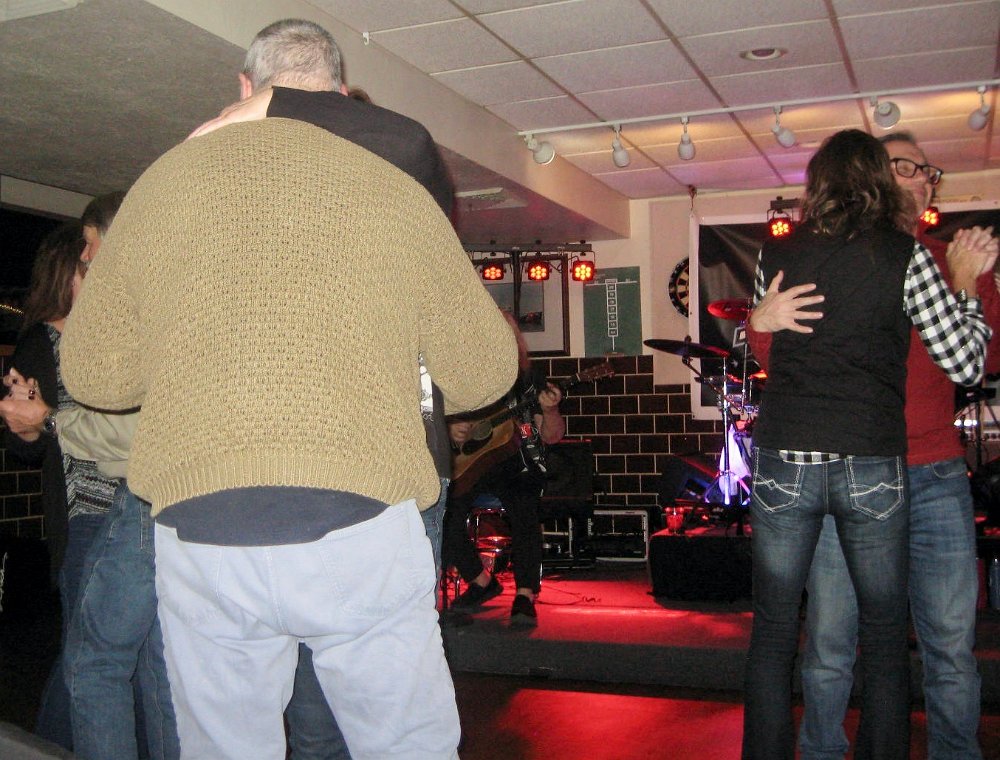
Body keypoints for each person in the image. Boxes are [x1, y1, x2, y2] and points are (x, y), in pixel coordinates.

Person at [58, 19, 518, 760]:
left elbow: (94, 375)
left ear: (245, 87)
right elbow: (485, 372)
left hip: (201, 526)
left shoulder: (159, 186)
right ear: (339, 92)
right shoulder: (392, 189)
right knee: (407, 748)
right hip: (358, 519)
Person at [189, 24, 458, 758]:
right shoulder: (258, 217)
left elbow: (406, 141)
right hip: (335, 478)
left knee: (361, 707)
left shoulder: (390, 196)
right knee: (341, 710)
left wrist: (267, 105)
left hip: (394, 468)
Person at [742, 129, 995, 760]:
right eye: (903, 170)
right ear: (879, 179)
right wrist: (967, 291)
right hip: (870, 458)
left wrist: (754, 323)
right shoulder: (904, 255)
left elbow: (776, 352)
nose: (920, 181)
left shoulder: (778, 251)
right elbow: (966, 362)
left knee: (775, 633)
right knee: (882, 637)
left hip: (792, 457)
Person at [0, 220, 119, 751]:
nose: (99, 270)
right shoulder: (40, 343)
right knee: (88, 656)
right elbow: (25, 447)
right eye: (88, 262)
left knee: (113, 655)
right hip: (83, 514)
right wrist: (27, 423)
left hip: (136, 509)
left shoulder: (113, 336)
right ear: (66, 271)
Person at [443, 310, 565, 627]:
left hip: (516, 462)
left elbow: (552, 436)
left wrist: (551, 411)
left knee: (524, 508)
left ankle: (525, 593)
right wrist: (452, 428)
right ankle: (481, 580)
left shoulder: (529, 380)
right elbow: (441, 418)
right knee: (442, 512)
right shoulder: (462, 380)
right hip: (472, 465)